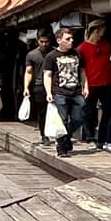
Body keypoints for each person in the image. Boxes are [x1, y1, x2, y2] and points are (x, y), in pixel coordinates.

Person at [43, 25, 86, 156]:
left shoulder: (77, 53)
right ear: (59, 40)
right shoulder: (51, 56)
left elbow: (82, 71)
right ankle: (61, 147)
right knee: (62, 120)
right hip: (59, 91)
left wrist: (85, 86)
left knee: (79, 117)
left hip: (76, 90)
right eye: (67, 39)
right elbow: (47, 75)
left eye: (71, 38)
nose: (71, 41)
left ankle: (67, 137)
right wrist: (48, 92)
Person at [80, 20, 111, 150]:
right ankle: (88, 137)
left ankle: (102, 138)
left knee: (109, 110)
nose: (103, 33)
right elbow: (81, 69)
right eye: (102, 30)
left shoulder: (107, 46)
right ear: (96, 31)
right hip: (90, 84)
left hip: (106, 83)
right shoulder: (82, 48)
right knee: (88, 111)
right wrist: (83, 84)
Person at [22, 31, 52, 127]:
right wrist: (26, 87)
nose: (44, 44)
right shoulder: (31, 55)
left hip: (54, 85)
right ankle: (43, 132)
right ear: (37, 40)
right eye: (41, 41)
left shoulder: (54, 53)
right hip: (39, 86)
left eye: (46, 42)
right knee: (42, 111)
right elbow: (28, 72)